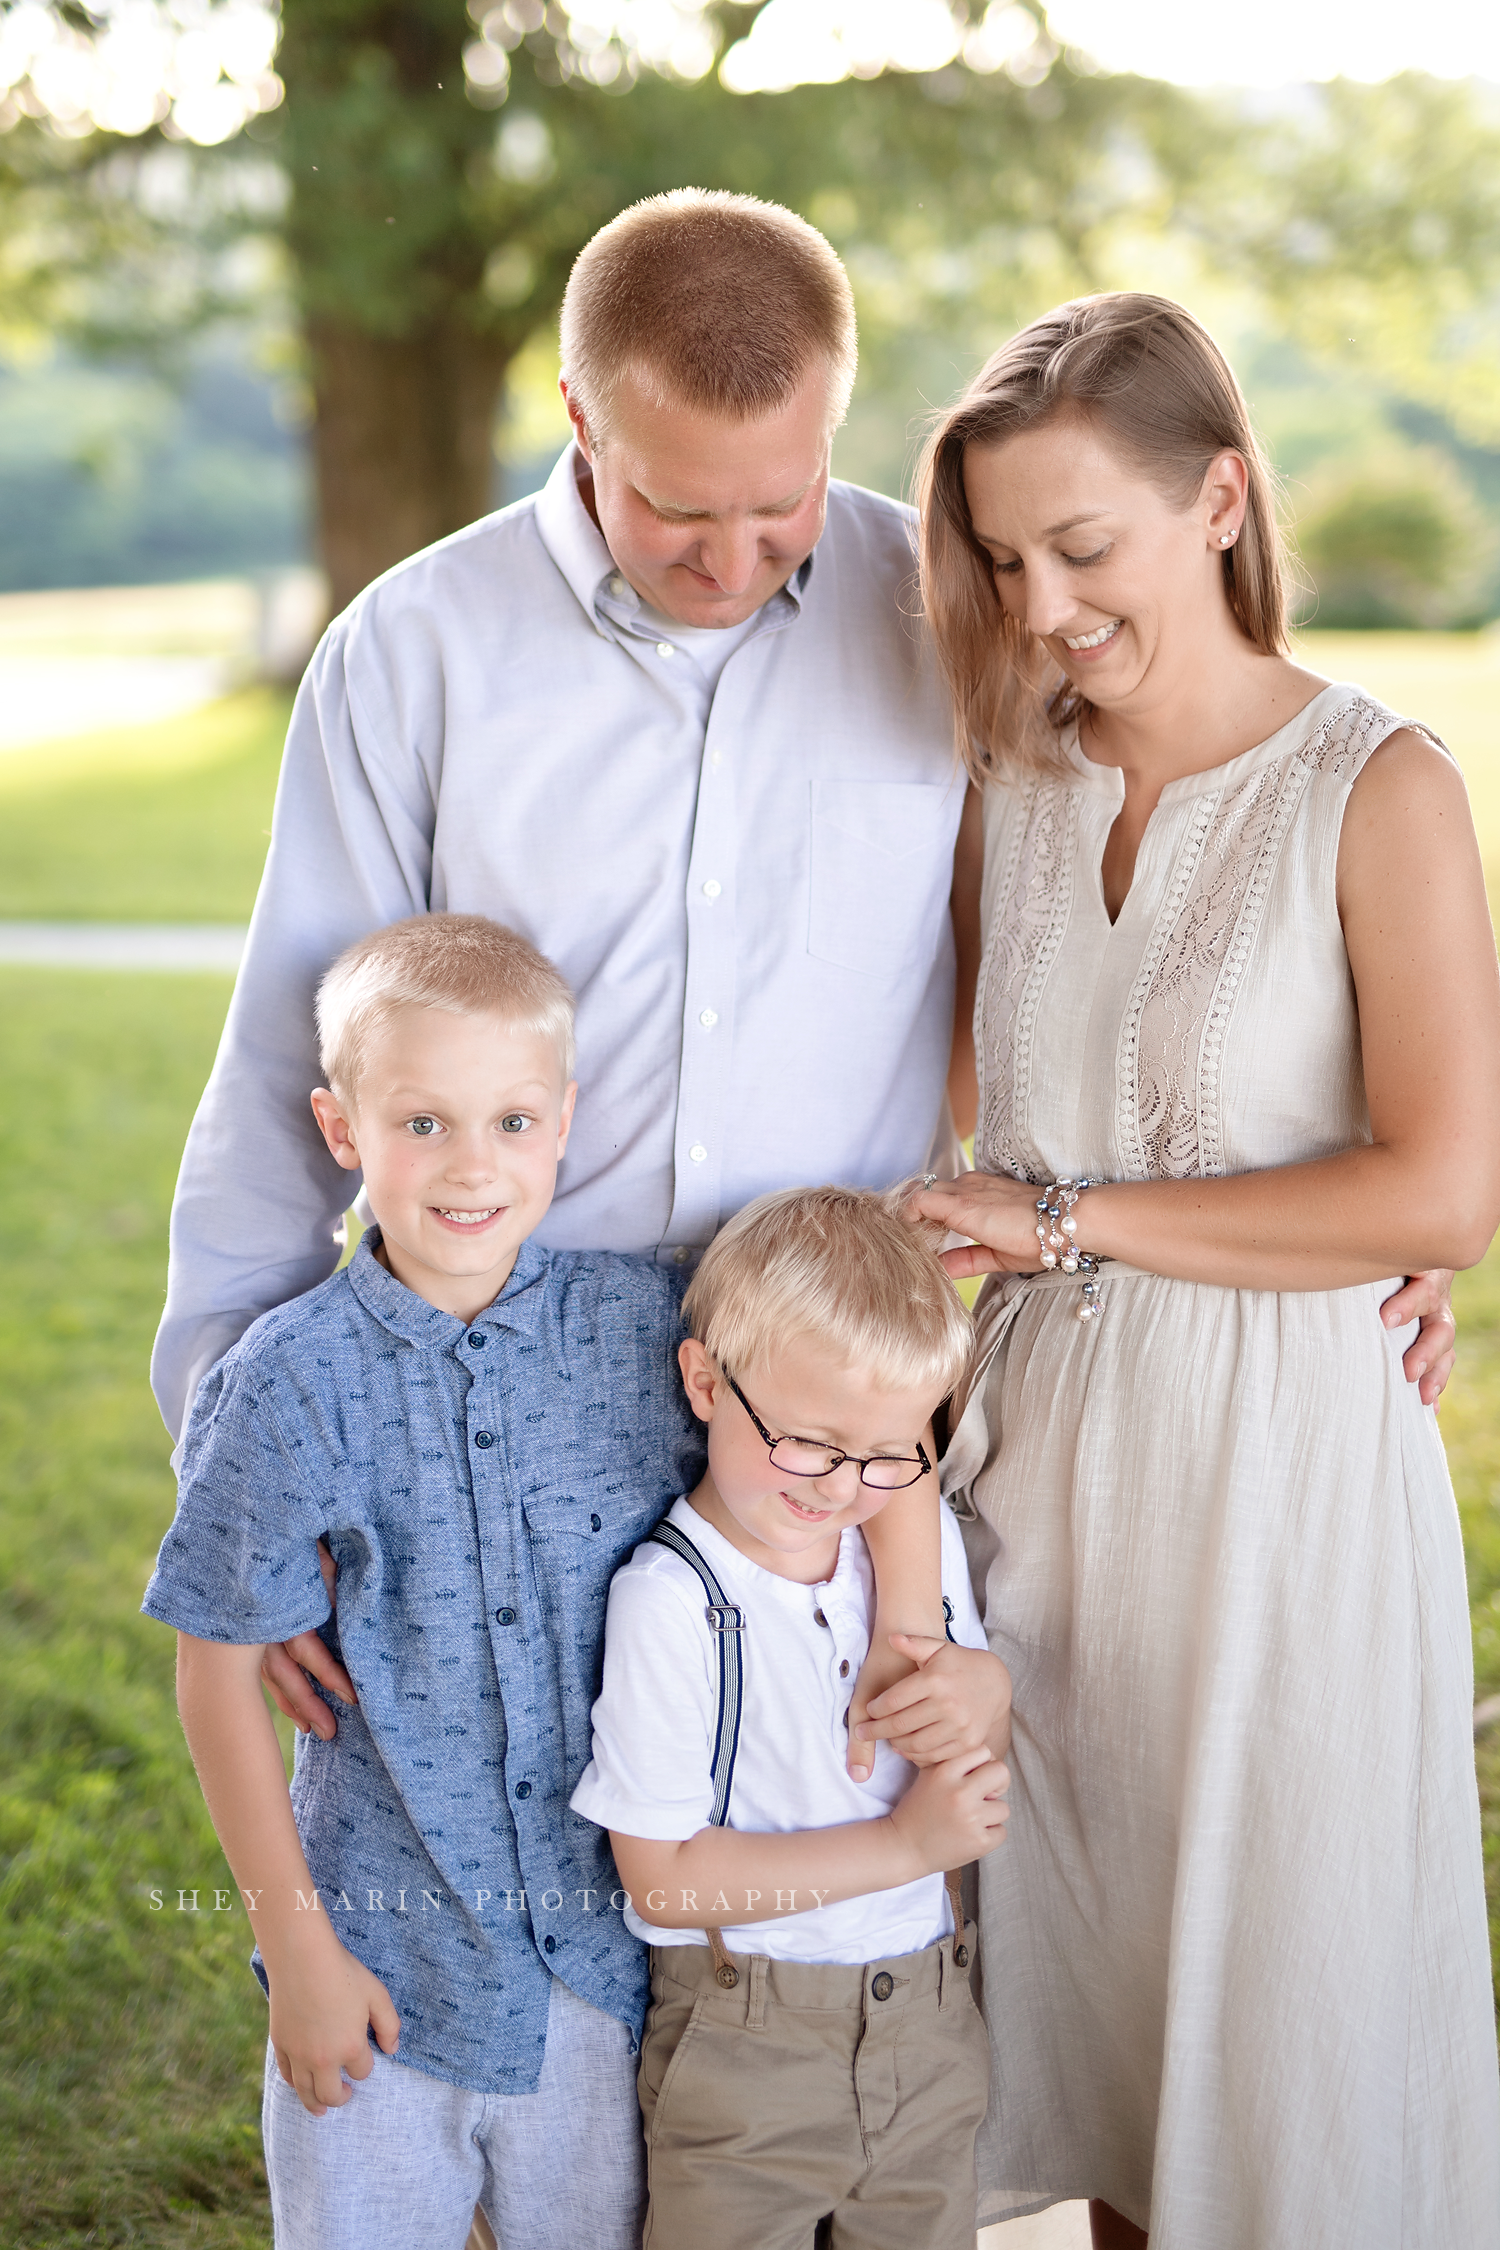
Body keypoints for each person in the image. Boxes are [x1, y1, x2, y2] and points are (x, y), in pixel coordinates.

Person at [907, 292, 1500, 2250]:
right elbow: (946, 1121)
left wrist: (1072, 1222)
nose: (1045, 602)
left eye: (1085, 546)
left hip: (1284, 1496)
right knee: (1090, 2054)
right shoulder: (1010, 787)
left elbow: (1438, 1189)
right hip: (1045, 1497)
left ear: (1223, 497)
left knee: (1276, 2061)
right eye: (1006, 558)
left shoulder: (1378, 786)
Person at [142, 914, 708, 2250]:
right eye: (424, 1124)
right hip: (381, 1964)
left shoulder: (648, 1328)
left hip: (603, 1971)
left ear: (565, 1120)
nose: (473, 1167)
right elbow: (216, 1679)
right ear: (344, 1130)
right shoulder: (286, 1380)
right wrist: (301, 1961)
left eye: (513, 1121)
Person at [571, 1186, 1010, 2250]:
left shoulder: (903, 1546)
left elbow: (980, 1691)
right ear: (707, 1382)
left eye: (889, 1456)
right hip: (747, 2041)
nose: (845, 1488)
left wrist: (982, 1693)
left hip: (931, 2021)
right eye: (811, 1443)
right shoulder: (672, 1601)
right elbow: (664, 1882)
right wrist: (905, 1845)